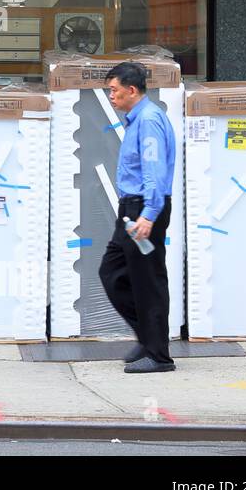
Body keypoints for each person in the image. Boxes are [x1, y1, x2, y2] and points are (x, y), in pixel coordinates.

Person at [99, 61, 177, 373]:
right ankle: (148, 337)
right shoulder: (138, 119)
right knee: (113, 271)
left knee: (148, 281)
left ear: (132, 90)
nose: (111, 97)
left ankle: (158, 354)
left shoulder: (149, 120)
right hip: (131, 211)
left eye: (114, 91)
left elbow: (154, 170)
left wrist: (149, 215)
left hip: (143, 210)